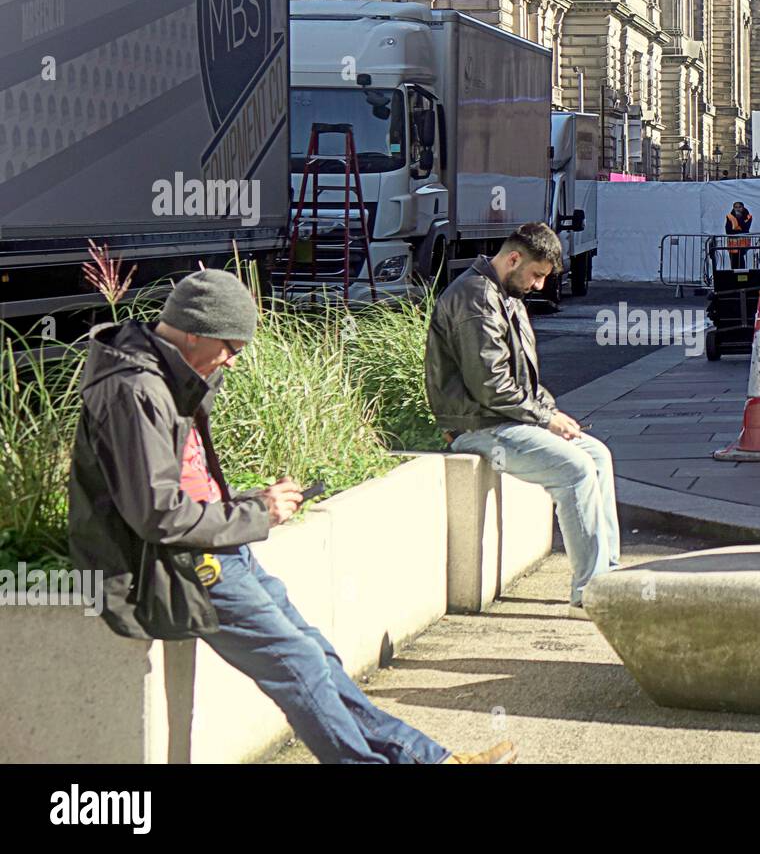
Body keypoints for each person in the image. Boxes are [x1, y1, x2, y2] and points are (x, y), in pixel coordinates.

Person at [68, 269, 515, 763]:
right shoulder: (134, 390)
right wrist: (258, 515)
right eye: (230, 347)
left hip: (215, 545)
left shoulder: (170, 371)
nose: (232, 363)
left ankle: (430, 760)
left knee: (315, 654)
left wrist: (246, 500)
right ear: (194, 331)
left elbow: (182, 483)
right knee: (299, 665)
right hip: (182, 564)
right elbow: (157, 516)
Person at [425, 223, 620, 619]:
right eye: (536, 275)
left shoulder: (505, 293)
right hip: (477, 427)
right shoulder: (476, 299)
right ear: (514, 259)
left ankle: (609, 578)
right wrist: (547, 419)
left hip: (505, 420)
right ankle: (590, 592)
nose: (538, 286)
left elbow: (522, 382)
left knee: (596, 455)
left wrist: (552, 416)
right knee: (576, 468)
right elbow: (491, 387)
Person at [724, 200, 753, 269]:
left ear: (743, 207)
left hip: (743, 244)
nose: (738, 209)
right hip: (732, 245)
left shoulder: (748, 216)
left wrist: (739, 218)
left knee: (741, 262)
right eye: (736, 207)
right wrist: (740, 231)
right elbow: (728, 231)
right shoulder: (730, 216)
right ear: (733, 208)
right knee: (734, 263)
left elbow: (746, 229)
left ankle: (743, 277)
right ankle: (734, 278)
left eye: (740, 207)